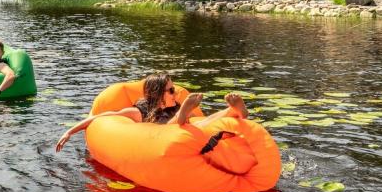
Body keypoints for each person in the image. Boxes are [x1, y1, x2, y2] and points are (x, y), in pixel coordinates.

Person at [55, 73, 248, 152]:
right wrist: (69, 132)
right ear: (158, 94)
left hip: (183, 134)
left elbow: (199, 123)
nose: (175, 93)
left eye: (174, 89)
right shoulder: (138, 111)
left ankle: (233, 111)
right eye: (171, 91)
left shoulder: (175, 105)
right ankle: (181, 119)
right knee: (177, 124)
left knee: (200, 122)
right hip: (157, 139)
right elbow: (99, 117)